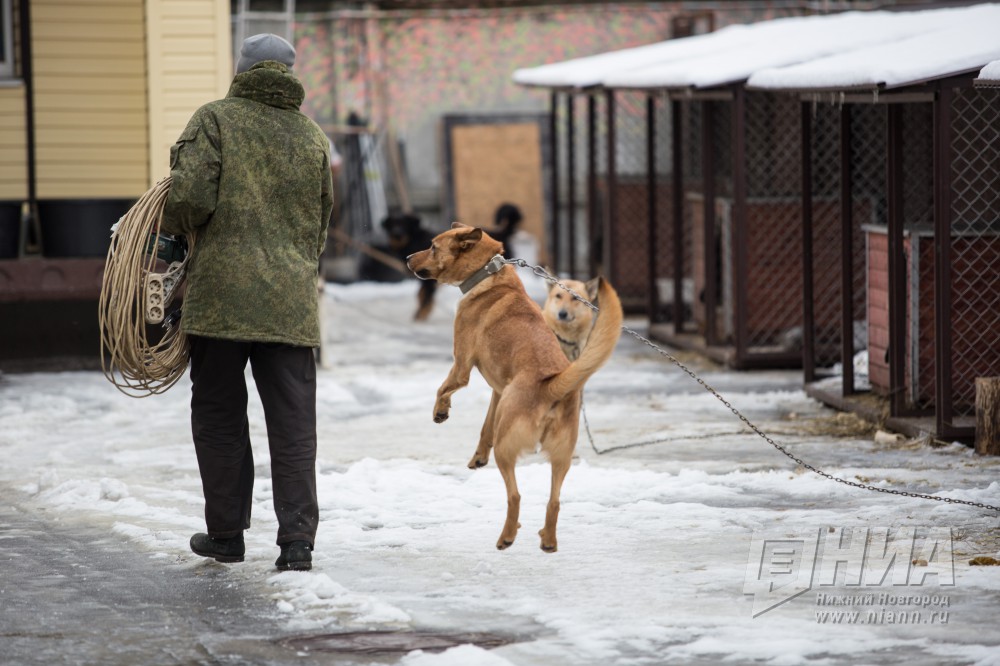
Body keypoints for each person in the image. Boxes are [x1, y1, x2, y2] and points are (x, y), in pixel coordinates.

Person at [160, 33, 334, 571]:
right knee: (293, 423)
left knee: (218, 415)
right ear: (288, 73)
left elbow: (189, 199)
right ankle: (297, 544)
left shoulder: (214, 120)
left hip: (222, 301)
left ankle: (226, 535)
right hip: (290, 304)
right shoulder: (312, 136)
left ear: (241, 69)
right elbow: (321, 228)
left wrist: (169, 229)